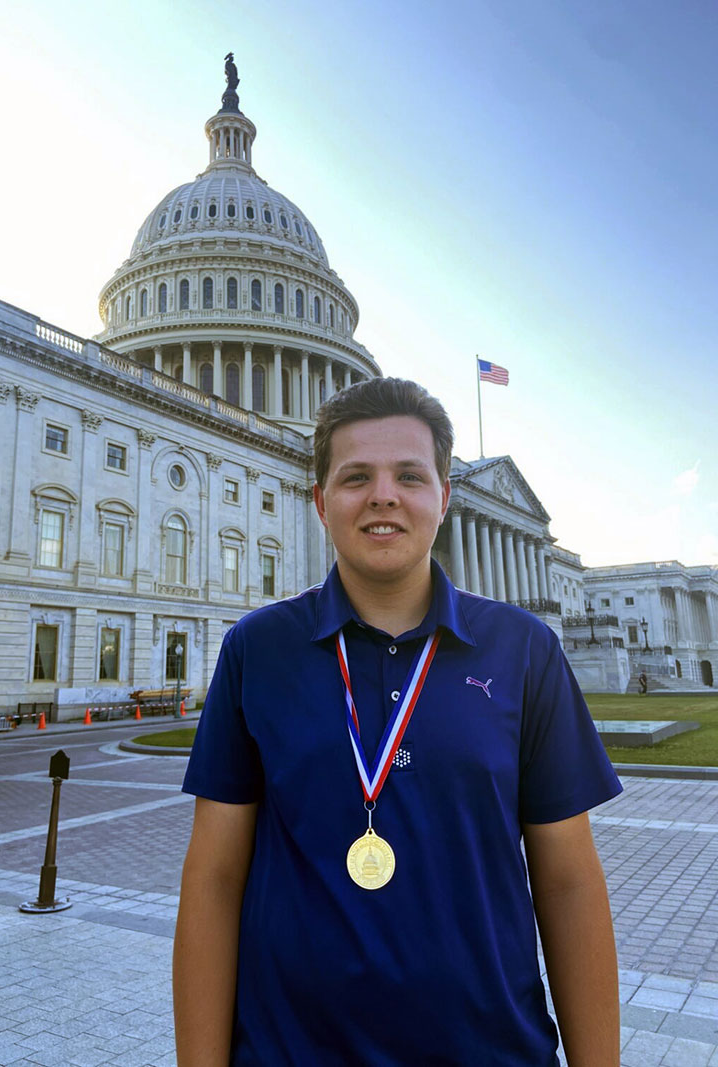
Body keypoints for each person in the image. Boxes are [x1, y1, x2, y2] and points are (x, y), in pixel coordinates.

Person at [173, 377, 622, 1066]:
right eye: (357, 477)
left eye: (410, 475)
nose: (384, 494)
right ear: (320, 502)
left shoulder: (525, 648)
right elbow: (213, 878)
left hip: (492, 1052)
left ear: (445, 498)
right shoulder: (256, 649)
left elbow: (567, 881)